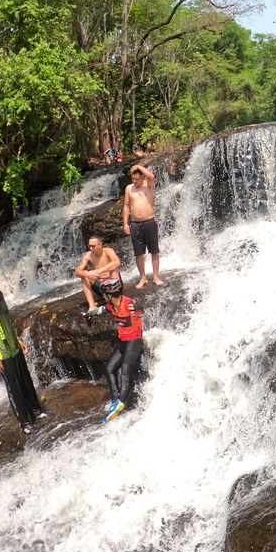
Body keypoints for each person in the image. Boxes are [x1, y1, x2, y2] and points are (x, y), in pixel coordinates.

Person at [0, 270, 47, 434]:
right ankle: (25, 422)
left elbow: (7, 320)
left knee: (25, 379)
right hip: (1, 351)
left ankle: (36, 410)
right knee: (13, 386)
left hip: (13, 345)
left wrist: (18, 339)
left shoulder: (0, 296)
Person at [86, 277, 144, 423]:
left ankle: (121, 402)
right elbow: (101, 310)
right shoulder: (112, 306)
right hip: (123, 342)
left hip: (134, 342)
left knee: (125, 373)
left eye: (104, 296)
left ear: (110, 295)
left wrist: (137, 308)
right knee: (109, 368)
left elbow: (139, 309)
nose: (104, 298)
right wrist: (89, 314)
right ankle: (115, 400)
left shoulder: (129, 303)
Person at [123, 163, 164, 289]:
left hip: (149, 222)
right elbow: (126, 206)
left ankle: (156, 276)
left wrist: (138, 167)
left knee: (154, 251)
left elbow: (151, 176)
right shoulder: (129, 188)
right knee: (138, 253)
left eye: (137, 178)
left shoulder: (148, 185)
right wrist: (125, 223)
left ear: (142, 177)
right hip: (135, 224)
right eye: (133, 179)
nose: (134, 181)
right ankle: (143, 278)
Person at [75, 235, 122, 316]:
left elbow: (117, 262)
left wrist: (100, 270)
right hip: (101, 287)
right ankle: (92, 305)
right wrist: (87, 273)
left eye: (93, 246)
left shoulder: (108, 251)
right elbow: (77, 271)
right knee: (84, 276)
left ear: (100, 245)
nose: (91, 248)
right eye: (89, 246)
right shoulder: (88, 255)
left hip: (114, 286)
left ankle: (115, 297)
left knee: (114, 270)